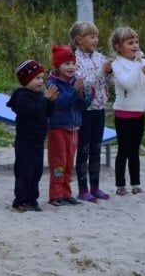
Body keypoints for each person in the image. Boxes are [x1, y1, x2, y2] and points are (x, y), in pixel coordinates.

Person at [110, 27, 145, 196]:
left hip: (139, 113)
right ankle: (120, 185)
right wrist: (138, 65)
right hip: (123, 114)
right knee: (123, 150)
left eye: (136, 42)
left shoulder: (141, 62)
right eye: (130, 42)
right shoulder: (117, 64)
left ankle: (136, 184)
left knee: (135, 151)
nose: (135, 45)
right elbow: (127, 84)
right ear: (118, 47)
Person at [70, 21, 113, 202]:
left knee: (96, 148)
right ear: (80, 40)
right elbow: (84, 82)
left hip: (100, 108)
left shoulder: (100, 57)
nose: (96, 40)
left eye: (96, 36)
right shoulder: (74, 60)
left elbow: (110, 80)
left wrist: (110, 72)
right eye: (92, 36)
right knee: (84, 149)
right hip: (85, 110)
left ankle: (95, 187)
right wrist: (102, 73)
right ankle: (82, 189)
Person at [8, 60, 57, 213]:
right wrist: (45, 99)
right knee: (24, 171)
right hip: (25, 141)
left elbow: (47, 112)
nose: (41, 82)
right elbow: (34, 111)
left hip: (38, 140)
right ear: (26, 79)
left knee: (36, 171)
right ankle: (20, 201)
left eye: (42, 78)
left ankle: (32, 199)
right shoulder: (21, 96)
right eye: (37, 78)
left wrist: (51, 101)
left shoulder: (40, 95)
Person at [46, 45, 89, 206]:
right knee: (59, 162)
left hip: (73, 129)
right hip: (58, 129)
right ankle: (55, 195)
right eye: (66, 64)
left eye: (73, 63)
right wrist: (73, 91)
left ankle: (66, 193)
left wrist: (84, 94)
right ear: (57, 66)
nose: (71, 67)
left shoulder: (75, 81)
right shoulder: (52, 83)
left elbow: (83, 105)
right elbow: (58, 104)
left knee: (69, 163)